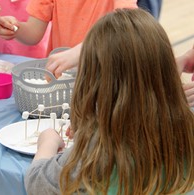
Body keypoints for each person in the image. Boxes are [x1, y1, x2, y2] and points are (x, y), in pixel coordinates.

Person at [24, 8, 194, 195]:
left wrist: (48, 141)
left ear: (92, 81)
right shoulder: (185, 128)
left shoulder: (98, 149)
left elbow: (36, 183)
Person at [0, 0, 137, 78]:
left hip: (101, 79)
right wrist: (16, 29)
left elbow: (126, 24)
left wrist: (81, 51)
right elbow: (34, 33)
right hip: (59, 80)